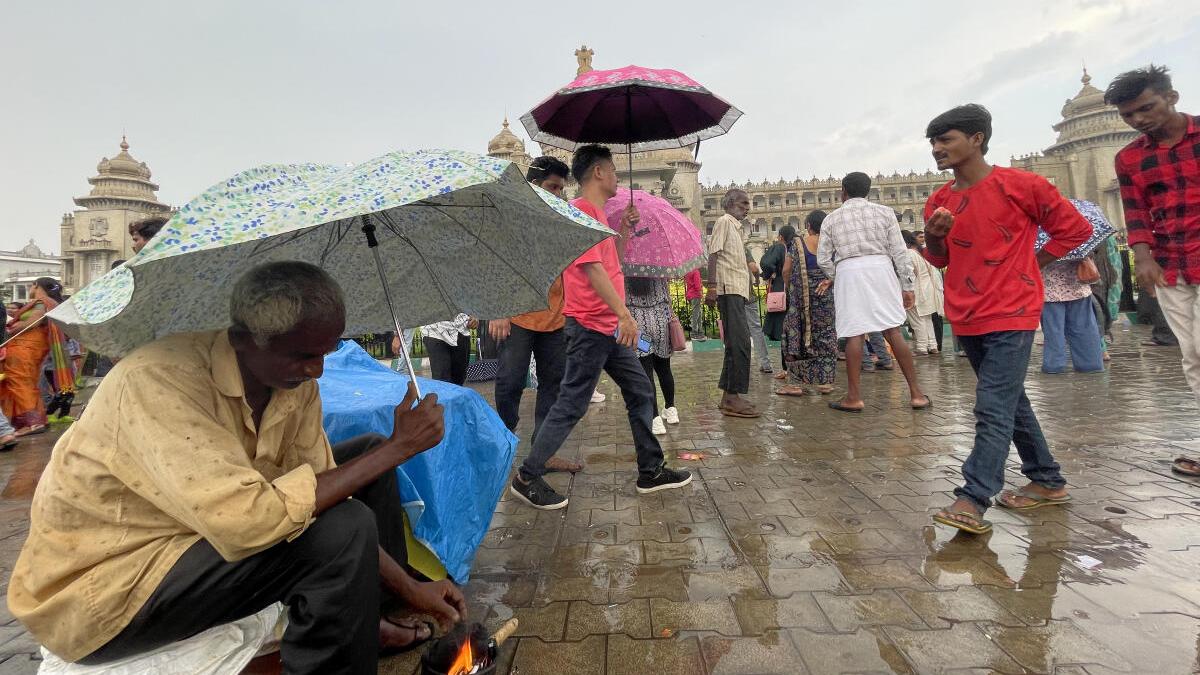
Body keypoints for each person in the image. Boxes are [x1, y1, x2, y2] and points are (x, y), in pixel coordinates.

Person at [7, 261, 466, 672]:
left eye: (326, 353)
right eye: (303, 355)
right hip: (108, 590)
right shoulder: (158, 380)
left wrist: (411, 588)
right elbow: (251, 522)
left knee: (363, 457)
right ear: (243, 339)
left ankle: (369, 617)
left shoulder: (294, 385)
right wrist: (398, 448)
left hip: (197, 535)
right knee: (345, 522)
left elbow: (326, 492)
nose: (318, 372)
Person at [922, 104, 1091, 534]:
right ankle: (1047, 480)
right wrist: (936, 238)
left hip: (1013, 308)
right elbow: (940, 260)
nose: (937, 149)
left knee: (992, 405)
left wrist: (1033, 262)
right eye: (934, 142)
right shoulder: (940, 201)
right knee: (1010, 400)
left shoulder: (1022, 185)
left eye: (946, 140)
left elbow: (1076, 231)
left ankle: (973, 497)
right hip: (965, 311)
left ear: (977, 138)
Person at [508, 145, 691, 509]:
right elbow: (591, 270)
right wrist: (625, 314)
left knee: (640, 390)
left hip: (607, 328)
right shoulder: (579, 212)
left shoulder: (600, 217)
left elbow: (612, 263)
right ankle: (527, 476)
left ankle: (650, 470)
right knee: (572, 403)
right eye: (612, 169)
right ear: (598, 173)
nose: (617, 176)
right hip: (591, 326)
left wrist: (622, 229)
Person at [1107, 64, 1200, 477]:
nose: (1139, 120)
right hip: (1170, 264)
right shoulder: (1129, 157)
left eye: (1147, 108)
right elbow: (1136, 211)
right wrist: (1142, 256)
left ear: (1172, 97)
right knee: (1193, 355)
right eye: (1129, 115)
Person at [489, 156, 580, 472]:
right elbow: (497, 264)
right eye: (552, 186)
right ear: (533, 184)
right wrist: (499, 310)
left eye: (560, 187)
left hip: (555, 316)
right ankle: (503, 444)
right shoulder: (512, 218)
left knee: (553, 385)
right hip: (517, 315)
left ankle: (543, 452)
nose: (557, 193)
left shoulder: (562, 217)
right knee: (510, 382)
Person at [817, 172, 930, 412]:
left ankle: (854, 397)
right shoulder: (885, 213)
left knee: (855, 333)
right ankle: (917, 394)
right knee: (892, 329)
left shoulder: (832, 219)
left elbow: (824, 259)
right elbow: (899, 253)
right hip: (881, 268)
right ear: (868, 191)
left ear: (843, 192)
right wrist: (907, 285)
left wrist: (839, 276)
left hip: (848, 269)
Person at [705, 189, 761, 417]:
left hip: (736, 292)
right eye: (743, 203)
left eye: (748, 204)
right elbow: (714, 254)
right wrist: (711, 287)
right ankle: (731, 396)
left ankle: (729, 396)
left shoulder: (736, 228)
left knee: (737, 344)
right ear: (730, 204)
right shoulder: (724, 222)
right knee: (739, 344)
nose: (747, 207)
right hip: (727, 291)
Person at [1, 278, 73, 436]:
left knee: (19, 381)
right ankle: (33, 420)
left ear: (37, 286)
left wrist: (11, 328)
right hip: (30, 347)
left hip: (25, 347)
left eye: (31, 285)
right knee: (25, 381)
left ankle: (33, 422)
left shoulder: (43, 302)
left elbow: (33, 322)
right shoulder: (51, 303)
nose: (29, 288)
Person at [776, 210, 836, 396]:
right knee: (825, 336)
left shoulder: (797, 243)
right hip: (825, 295)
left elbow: (786, 269)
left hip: (801, 299)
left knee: (796, 336)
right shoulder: (832, 243)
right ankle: (825, 382)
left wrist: (791, 288)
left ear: (809, 226)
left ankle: (794, 384)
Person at [626, 277, 678, 435]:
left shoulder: (625, 271)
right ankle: (671, 409)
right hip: (660, 321)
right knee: (664, 368)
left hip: (638, 325)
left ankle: (655, 419)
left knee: (646, 372)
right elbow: (667, 297)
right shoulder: (658, 269)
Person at [1039, 258, 1105, 373]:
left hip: (1050, 290)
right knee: (1085, 328)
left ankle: (1054, 366)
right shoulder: (1078, 242)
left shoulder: (1043, 241)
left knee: (1054, 331)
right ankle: (1090, 364)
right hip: (1078, 286)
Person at [902, 230, 943, 355]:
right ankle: (932, 345)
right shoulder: (919, 253)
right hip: (928, 290)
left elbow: (910, 272)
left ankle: (921, 347)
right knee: (927, 319)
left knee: (917, 319)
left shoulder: (908, 254)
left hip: (917, 290)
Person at [760, 226, 791, 378]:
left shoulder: (780, 247)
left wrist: (769, 274)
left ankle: (786, 369)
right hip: (796, 291)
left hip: (781, 290)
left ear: (781, 236)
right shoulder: (798, 246)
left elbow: (766, 262)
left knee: (783, 331)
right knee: (794, 331)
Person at [418, 314, 473, 386]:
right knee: (442, 381)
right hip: (433, 330)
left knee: (459, 379)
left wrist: (475, 314)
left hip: (461, 327)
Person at [684, 268, 706, 341]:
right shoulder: (696, 271)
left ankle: (700, 331)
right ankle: (694, 332)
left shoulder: (688, 271)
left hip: (690, 295)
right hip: (696, 294)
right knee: (696, 314)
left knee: (698, 313)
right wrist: (701, 294)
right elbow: (697, 285)